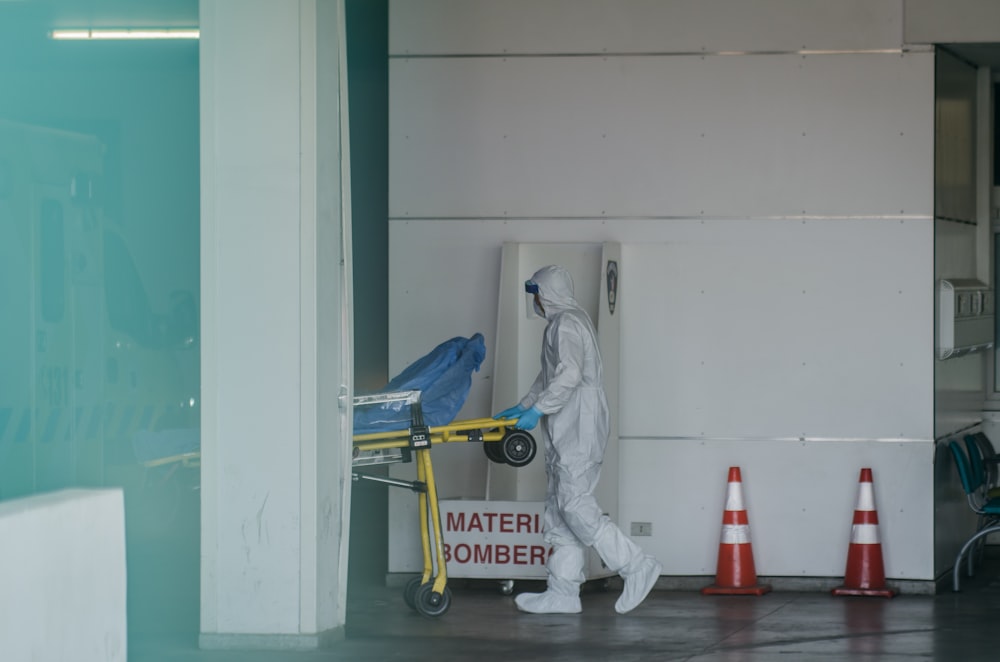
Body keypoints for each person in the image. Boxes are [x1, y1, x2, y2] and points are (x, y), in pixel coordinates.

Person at [495, 265, 662, 615]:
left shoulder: (567, 323)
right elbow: (550, 375)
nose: (534, 301)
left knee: (573, 503)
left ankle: (636, 564)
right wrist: (524, 406)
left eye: (536, 293)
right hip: (566, 424)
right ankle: (563, 592)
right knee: (559, 508)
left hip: (579, 424)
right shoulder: (561, 323)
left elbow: (569, 374)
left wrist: (538, 410)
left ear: (547, 293)